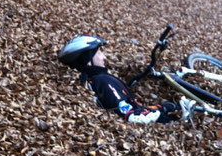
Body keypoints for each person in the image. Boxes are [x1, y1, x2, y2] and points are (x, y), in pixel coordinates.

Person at [58, 35, 190, 124]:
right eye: (99, 53)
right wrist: (162, 112)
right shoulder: (101, 81)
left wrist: (162, 107)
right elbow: (130, 115)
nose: (104, 57)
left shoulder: (95, 79)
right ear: (87, 61)